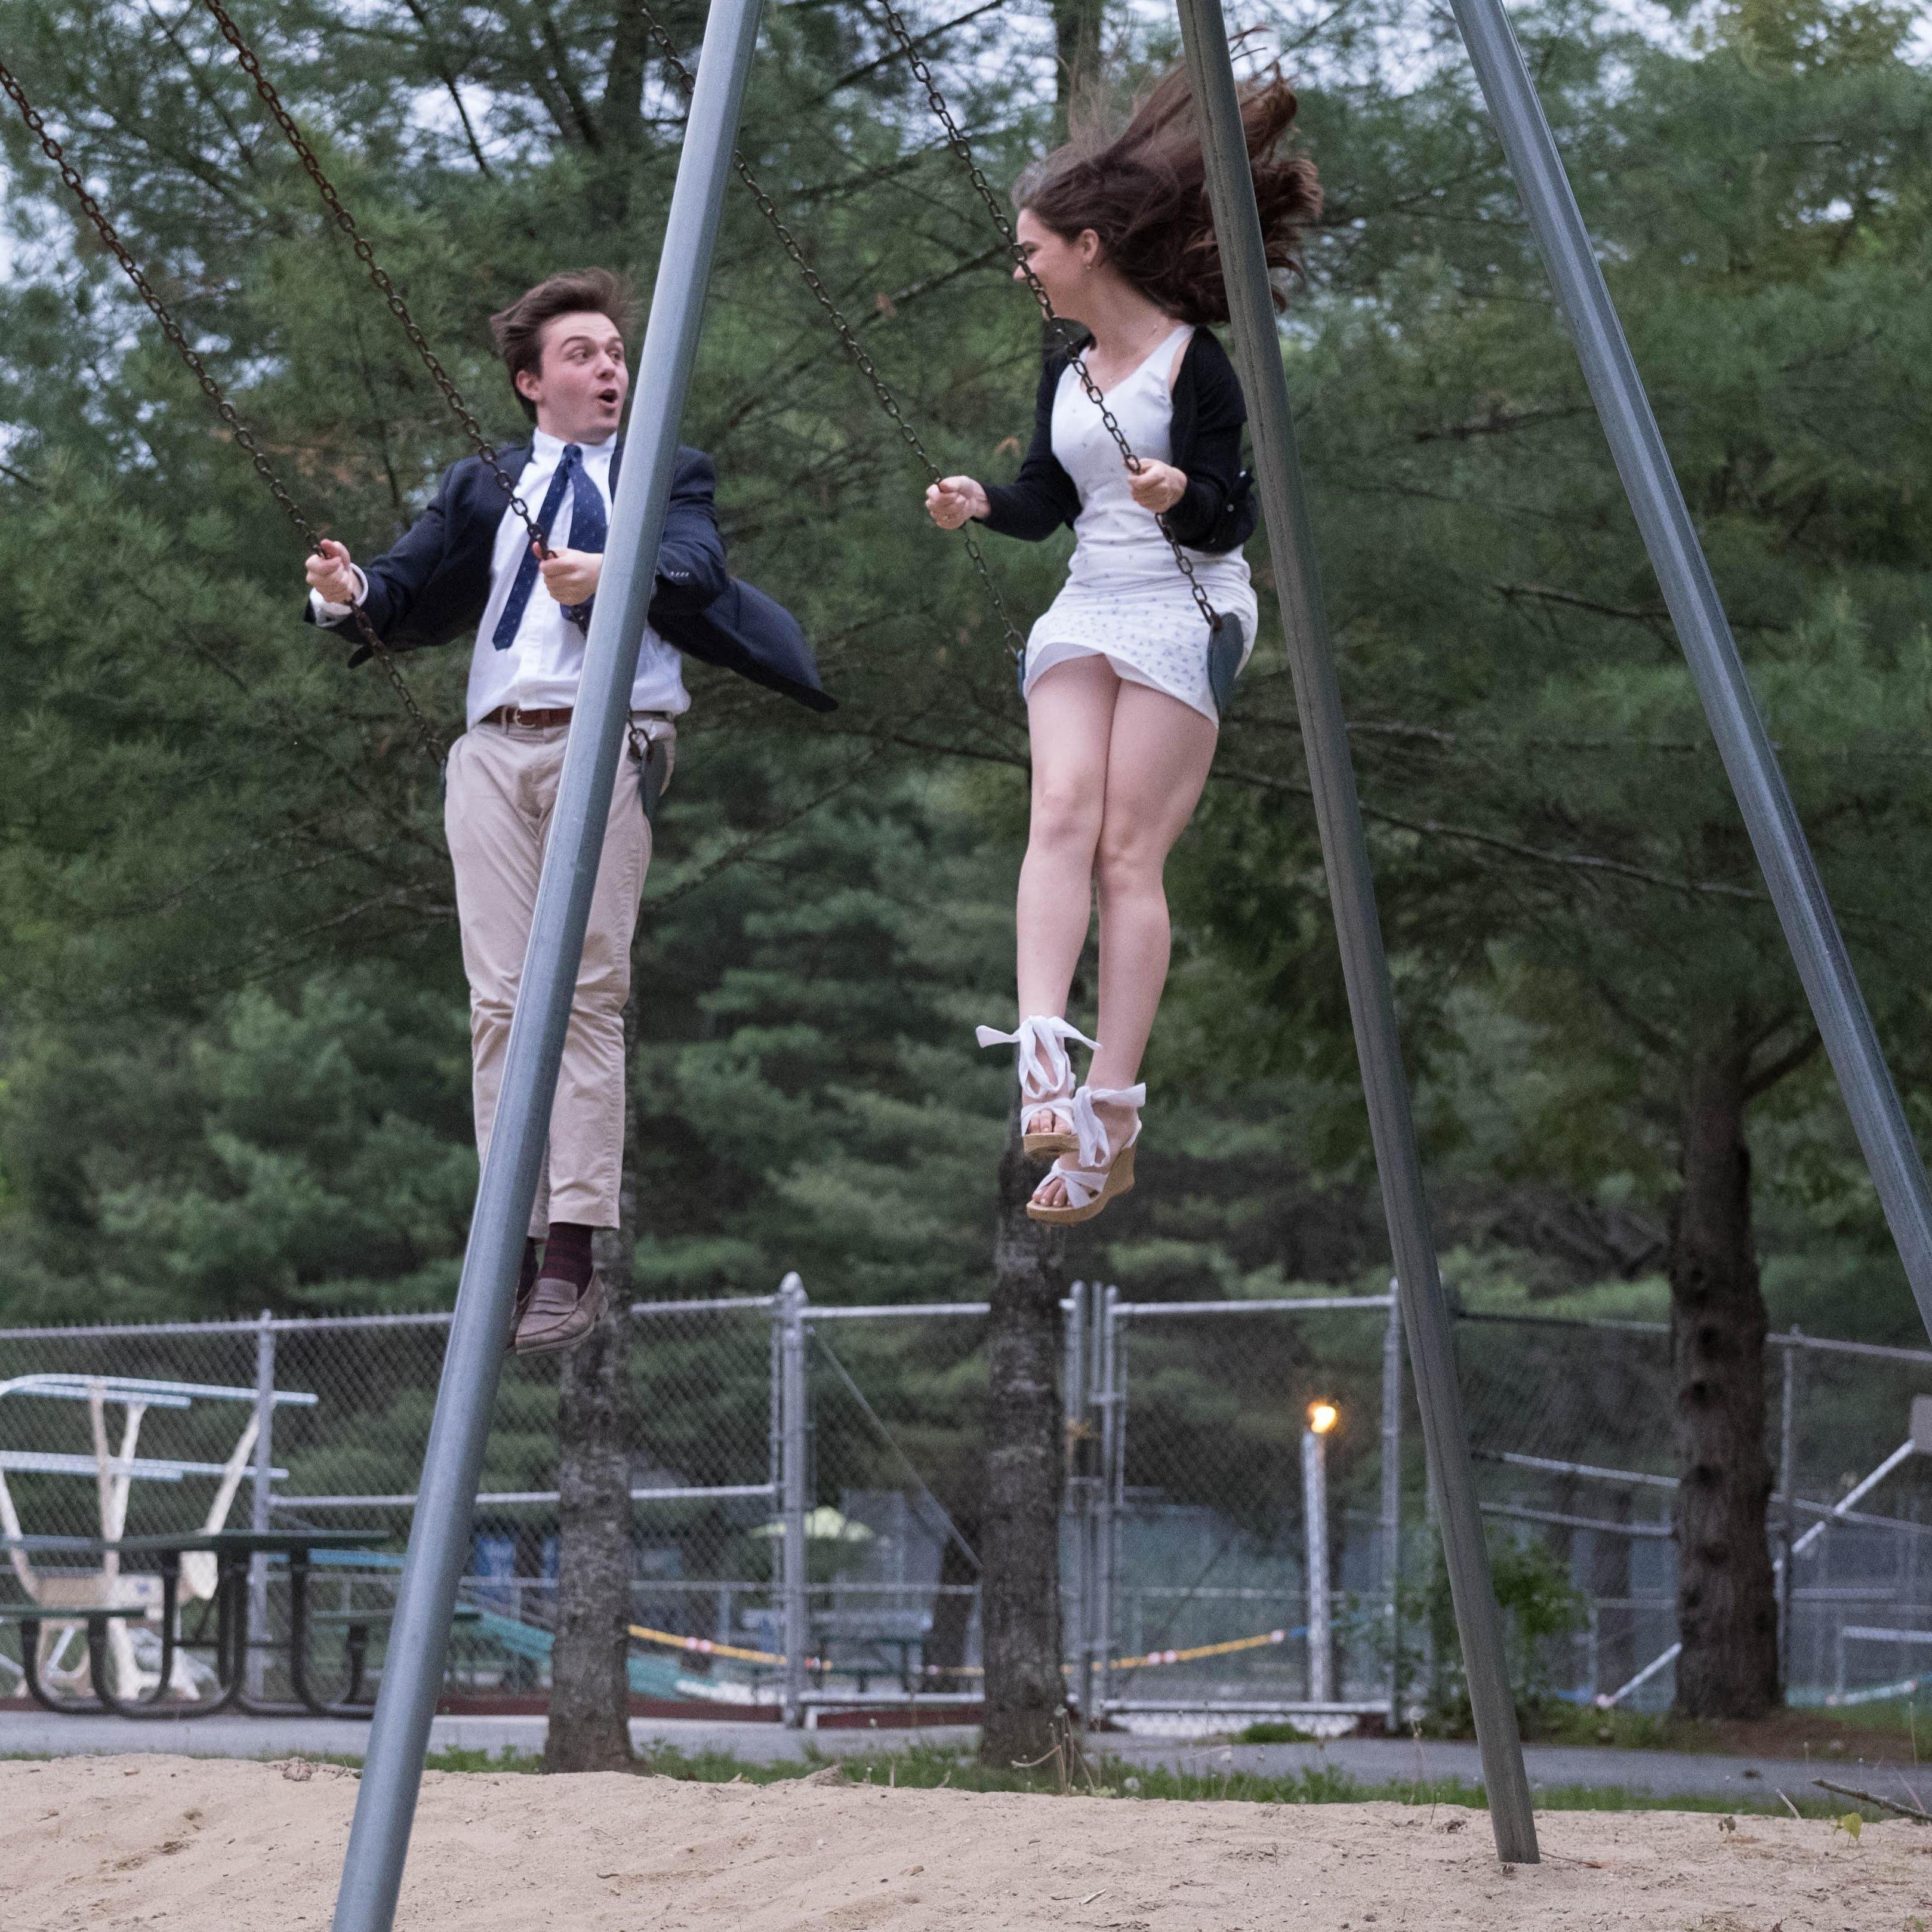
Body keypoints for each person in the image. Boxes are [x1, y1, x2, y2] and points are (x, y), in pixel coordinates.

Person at [304, 267, 831, 1355]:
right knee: (498, 1004)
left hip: (613, 739)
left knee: (585, 990)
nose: (608, 369)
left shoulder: (665, 474)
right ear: (529, 382)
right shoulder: (483, 483)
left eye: (615, 353)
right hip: (497, 750)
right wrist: (347, 593)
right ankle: (512, 1234)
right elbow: (402, 591)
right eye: (583, 355)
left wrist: (615, 572)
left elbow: (692, 568)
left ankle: (576, 1247)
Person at [926, 69, 1320, 1226]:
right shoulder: (1065, 368)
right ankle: (1040, 1056)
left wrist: (1177, 490)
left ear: (1086, 245)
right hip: (1087, 599)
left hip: (1185, 604)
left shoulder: (1192, 363)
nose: (1022, 268)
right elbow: (1049, 498)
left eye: (1030, 249)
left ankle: (1109, 1114)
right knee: (1058, 811)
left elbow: (1230, 516)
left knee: (1123, 856)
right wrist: (978, 503)